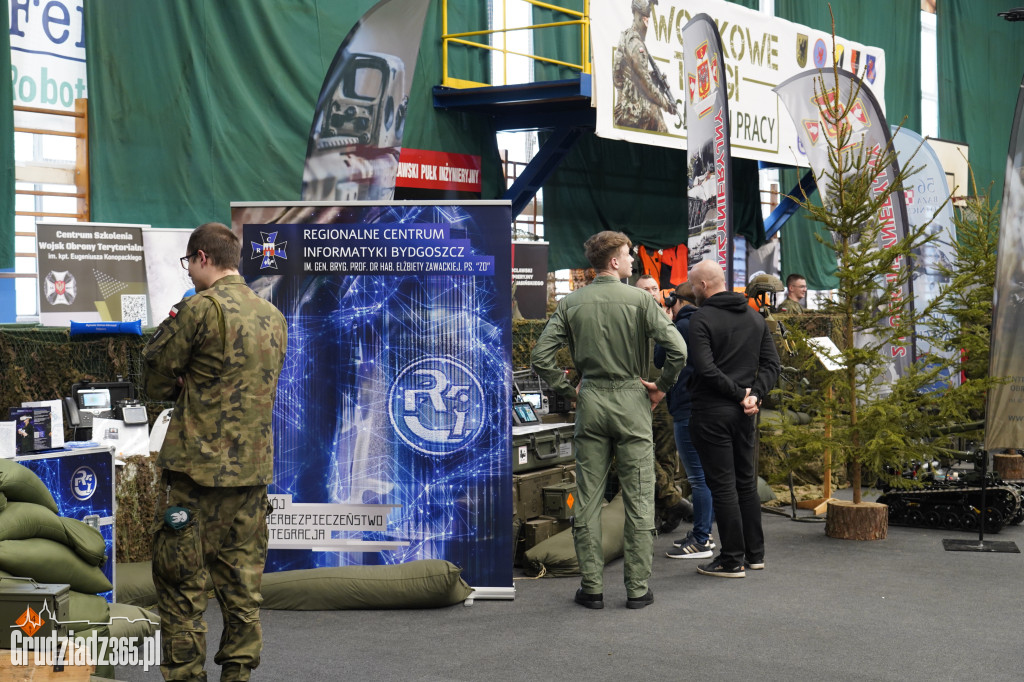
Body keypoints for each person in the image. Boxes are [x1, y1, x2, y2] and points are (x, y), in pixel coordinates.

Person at [143, 222, 288, 681]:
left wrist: (185, 382)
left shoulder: (199, 309)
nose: (188, 273)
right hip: (251, 477)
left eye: (189, 263)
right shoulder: (273, 315)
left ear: (203, 257)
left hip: (197, 478)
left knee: (182, 587)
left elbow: (154, 376)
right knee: (242, 590)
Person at [532, 231, 686, 610]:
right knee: (638, 496)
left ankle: (593, 588)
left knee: (587, 499)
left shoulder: (572, 303)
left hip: (592, 402)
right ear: (614, 261)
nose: (634, 260)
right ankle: (637, 589)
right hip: (633, 399)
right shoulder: (640, 300)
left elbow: (540, 356)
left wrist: (569, 391)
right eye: (629, 255)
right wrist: (660, 387)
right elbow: (678, 350)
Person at [686, 259, 780, 578]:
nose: (690, 290)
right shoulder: (755, 318)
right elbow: (771, 365)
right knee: (745, 483)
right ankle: (754, 554)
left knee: (723, 486)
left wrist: (740, 394)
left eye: (692, 285)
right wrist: (753, 395)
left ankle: (731, 559)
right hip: (745, 414)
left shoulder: (701, 319)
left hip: (712, 412)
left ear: (704, 286)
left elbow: (705, 368)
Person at [656, 282, 716, 560]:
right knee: (704, 474)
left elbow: (659, 359)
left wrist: (664, 326)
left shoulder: (679, 327)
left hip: (685, 408)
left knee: (698, 477)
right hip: (706, 407)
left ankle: (701, 539)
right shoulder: (708, 323)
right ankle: (704, 534)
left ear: (675, 301)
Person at [634, 275, 693, 533]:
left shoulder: (670, 320)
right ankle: (673, 499)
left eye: (654, 288)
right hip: (637, 398)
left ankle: (666, 511)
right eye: (644, 289)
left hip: (665, 396)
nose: (650, 292)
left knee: (667, 457)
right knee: (639, 452)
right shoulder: (630, 319)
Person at [612, 0, 678, 132]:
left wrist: (646, 75)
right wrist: (667, 104)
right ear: (639, 18)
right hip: (631, 111)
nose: (647, 25)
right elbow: (646, 84)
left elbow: (620, 76)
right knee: (658, 120)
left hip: (624, 108)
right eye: (646, 19)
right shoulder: (637, 45)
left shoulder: (626, 36)